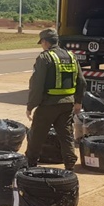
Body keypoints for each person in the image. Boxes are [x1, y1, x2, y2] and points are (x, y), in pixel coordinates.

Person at [25, 27, 85, 170]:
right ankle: (70, 165)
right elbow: (82, 81)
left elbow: (37, 85)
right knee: (66, 136)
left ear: (45, 42)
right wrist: (78, 102)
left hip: (48, 105)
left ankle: (30, 164)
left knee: (37, 136)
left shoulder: (44, 58)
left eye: (41, 42)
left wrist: (30, 106)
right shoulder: (71, 56)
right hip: (67, 105)